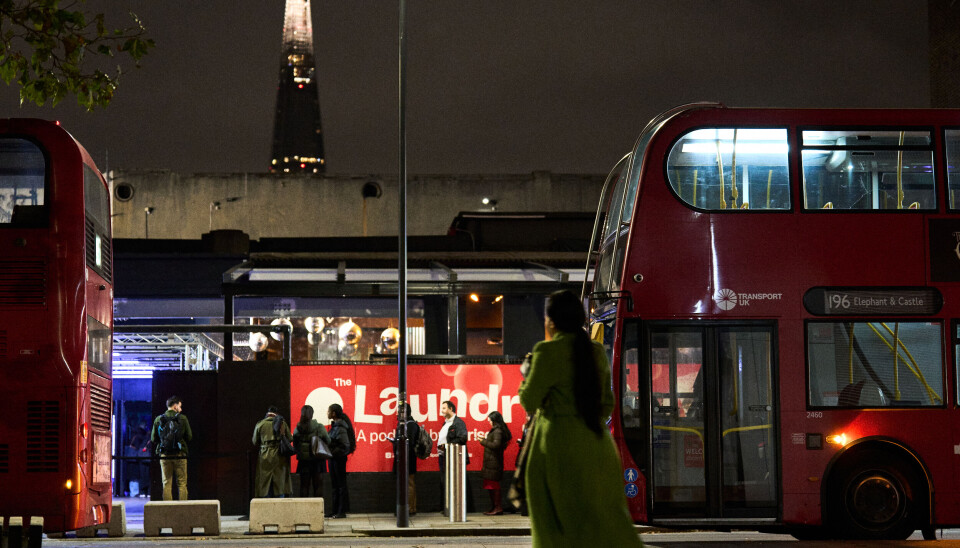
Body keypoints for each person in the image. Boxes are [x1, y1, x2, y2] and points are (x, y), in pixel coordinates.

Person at [519, 290, 643, 547]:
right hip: (597, 445)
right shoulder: (595, 351)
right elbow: (606, 404)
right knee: (606, 522)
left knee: (557, 526)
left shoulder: (546, 352)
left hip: (555, 447)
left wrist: (527, 373)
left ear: (551, 321)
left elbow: (529, 400)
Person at [151, 395, 192, 500]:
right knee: (182, 483)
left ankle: (167, 511)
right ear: (175, 406)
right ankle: (182, 510)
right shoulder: (182, 418)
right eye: (180, 406)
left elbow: (153, 438)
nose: (181, 409)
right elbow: (189, 436)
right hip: (180, 454)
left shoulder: (158, 419)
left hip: (164, 455)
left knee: (166, 483)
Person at [252, 406, 293, 498]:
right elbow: (290, 439)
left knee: (264, 481)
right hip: (279, 455)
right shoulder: (282, 423)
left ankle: (266, 504)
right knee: (280, 482)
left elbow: (255, 441)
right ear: (276, 414)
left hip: (264, 455)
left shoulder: (260, 424)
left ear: (267, 414)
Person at [437, 400, 468, 514]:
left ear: (451, 409)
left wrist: (447, 446)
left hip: (453, 457)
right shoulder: (446, 423)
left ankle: (453, 508)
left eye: (444, 408)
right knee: (444, 482)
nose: (442, 411)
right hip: (444, 457)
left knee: (451, 483)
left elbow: (463, 438)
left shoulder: (458, 423)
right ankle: (447, 507)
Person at [292, 404, 330, 498]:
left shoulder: (298, 428)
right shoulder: (319, 427)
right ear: (312, 414)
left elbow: (295, 443)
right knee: (318, 486)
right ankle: (317, 511)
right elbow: (328, 441)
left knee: (304, 486)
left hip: (304, 461)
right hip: (318, 459)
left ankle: (304, 510)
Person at [390, 401, 420, 514]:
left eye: (399, 411)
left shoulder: (410, 424)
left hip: (408, 458)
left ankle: (410, 508)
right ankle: (407, 507)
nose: (397, 413)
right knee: (405, 483)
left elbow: (410, 442)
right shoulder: (403, 424)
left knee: (409, 483)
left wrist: (398, 442)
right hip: (402, 457)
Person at [479, 410, 511, 515]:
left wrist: (483, 441)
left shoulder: (498, 431)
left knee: (493, 485)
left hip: (494, 463)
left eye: (490, 420)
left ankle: (497, 507)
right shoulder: (496, 430)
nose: (489, 422)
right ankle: (494, 507)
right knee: (490, 485)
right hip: (491, 462)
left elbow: (496, 445)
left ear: (494, 420)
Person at [327, 403, 352, 518]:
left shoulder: (340, 428)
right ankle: (335, 510)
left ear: (333, 413)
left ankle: (341, 511)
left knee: (340, 485)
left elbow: (345, 446)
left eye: (329, 411)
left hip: (338, 460)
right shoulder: (335, 426)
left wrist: (333, 453)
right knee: (335, 485)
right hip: (334, 460)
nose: (327, 413)